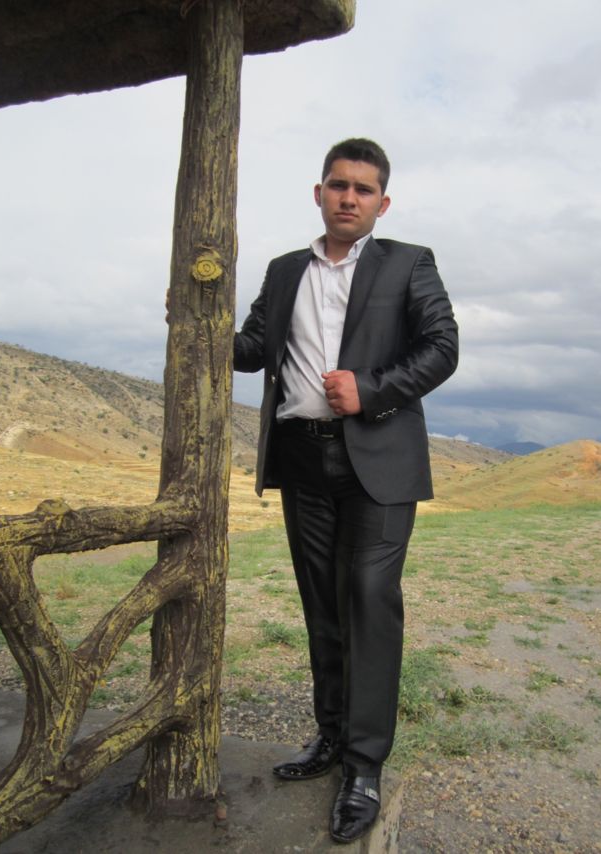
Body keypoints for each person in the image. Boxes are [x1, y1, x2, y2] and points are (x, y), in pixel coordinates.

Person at [234, 138, 458, 844]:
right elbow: (251, 349)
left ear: (382, 203)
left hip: (380, 461)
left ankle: (364, 767)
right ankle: (330, 736)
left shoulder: (409, 263)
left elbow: (442, 347)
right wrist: (193, 311)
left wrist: (372, 389)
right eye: (338, 185)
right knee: (322, 607)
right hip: (301, 460)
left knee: (367, 600)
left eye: (363, 189)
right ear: (319, 193)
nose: (349, 198)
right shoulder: (283, 271)